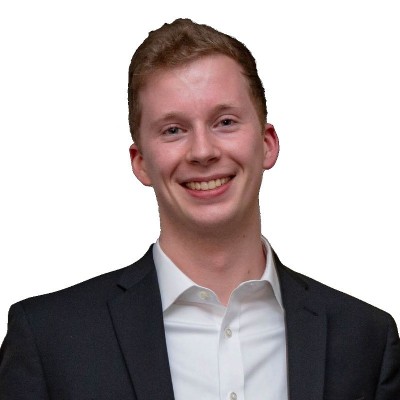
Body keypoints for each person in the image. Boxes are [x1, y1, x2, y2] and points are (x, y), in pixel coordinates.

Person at [0, 18, 399, 400]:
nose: (203, 151)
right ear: (141, 162)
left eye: (225, 122)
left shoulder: (366, 337)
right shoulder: (48, 339)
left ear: (267, 144)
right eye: (173, 130)